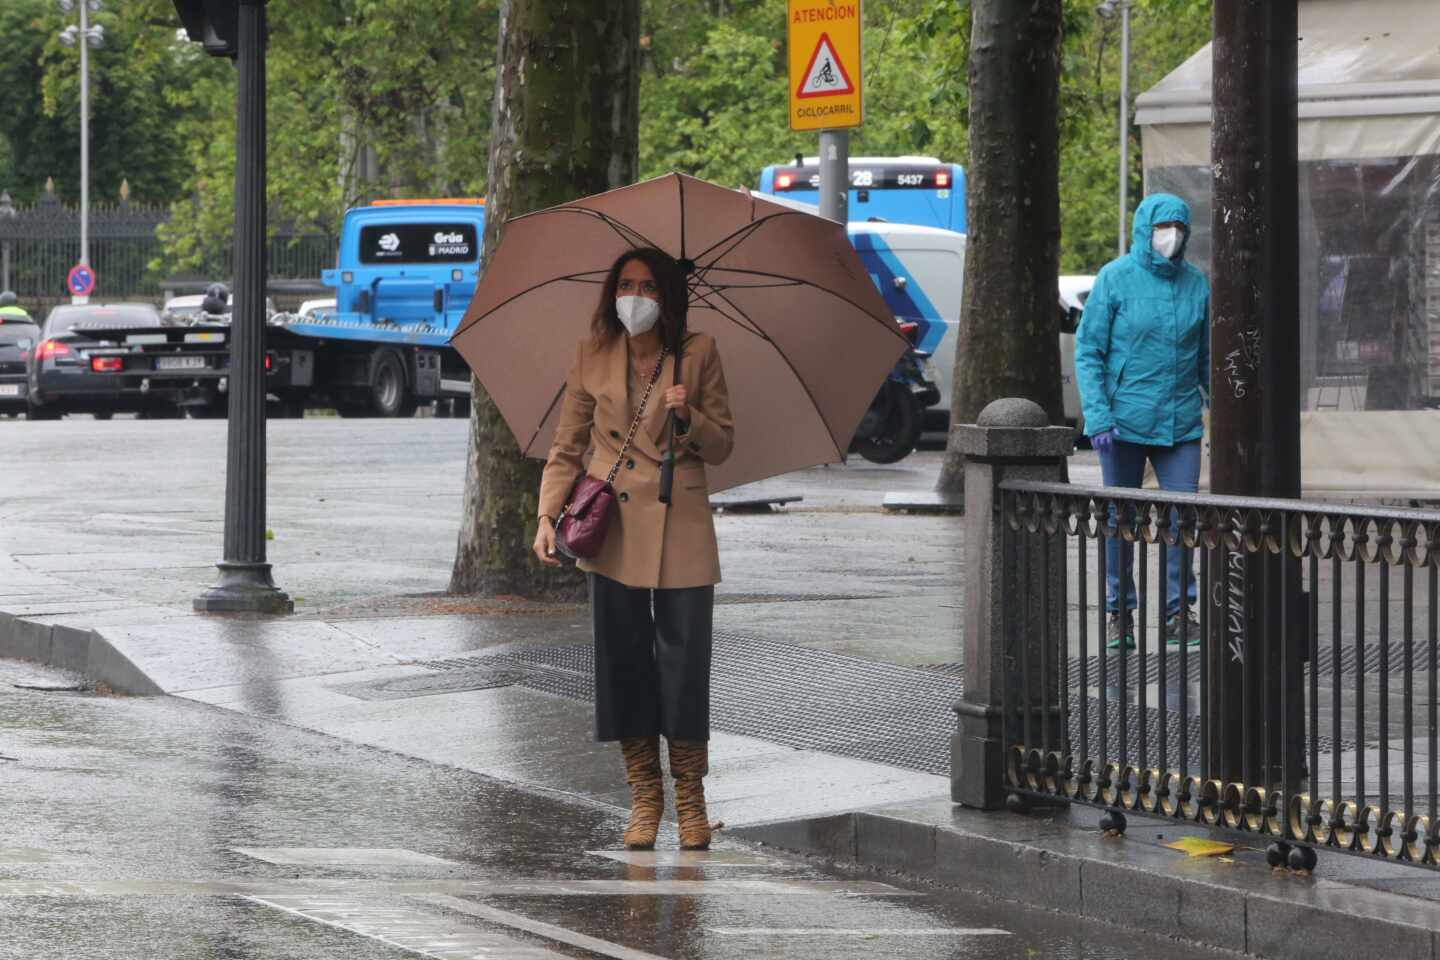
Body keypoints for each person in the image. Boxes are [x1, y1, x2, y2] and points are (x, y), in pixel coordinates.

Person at [533, 247, 734, 850]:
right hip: (612, 525)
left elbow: (722, 443)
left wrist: (688, 416)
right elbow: (568, 445)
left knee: (683, 664)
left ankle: (691, 801)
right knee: (623, 663)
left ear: (668, 297)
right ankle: (644, 798)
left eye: (648, 287)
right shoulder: (592, 352)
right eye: (625, 284)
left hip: (682, 522)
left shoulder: (697, 354)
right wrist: (547, 515)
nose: (635, 296)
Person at [1075, 193, 1210, 651]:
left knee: (1182, 516)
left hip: (1180, 422)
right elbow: (1089, 350)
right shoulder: (1114, 279)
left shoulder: (1197, 284)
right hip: (1123, 421)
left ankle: (1179, 613)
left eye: (1177, 226)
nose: (1169, 235)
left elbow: (1207, 357)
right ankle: (1119, 615)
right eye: (1161, 226)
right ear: (1143, 230)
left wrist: (1228, 409)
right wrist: (1097, 414)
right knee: (1119, 519)